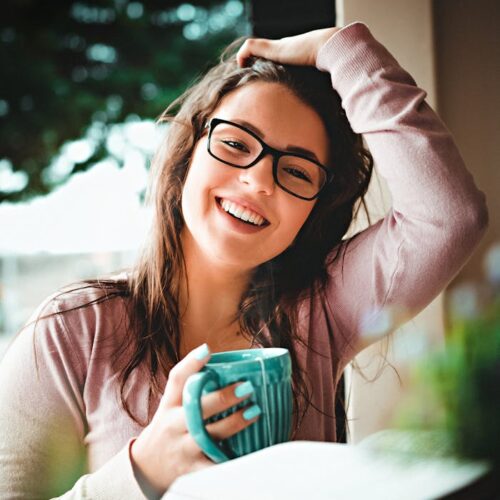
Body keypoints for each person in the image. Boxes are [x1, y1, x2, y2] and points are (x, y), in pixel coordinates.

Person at [0, 22, 488, 499]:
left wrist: (339, 48)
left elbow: (450, 216)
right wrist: (143, 470)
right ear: (189, 150)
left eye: (296, 171)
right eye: (235, 143)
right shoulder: (72, 332)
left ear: (312, 212)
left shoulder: (321, 313)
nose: (259, 181)